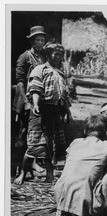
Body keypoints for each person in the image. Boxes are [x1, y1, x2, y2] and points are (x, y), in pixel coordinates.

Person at [14, 43, 72, 185]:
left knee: (51, 146)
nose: (58, 57)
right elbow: (35, 88)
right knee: (34, 146)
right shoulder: (40, 69)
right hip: (41, 110)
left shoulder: (61, 73)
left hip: (55, 112)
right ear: (48, 54)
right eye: (55, 53)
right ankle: (22, 173)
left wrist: (68, 113)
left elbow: (64, 97)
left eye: (60, 54)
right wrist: (35, 104)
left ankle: (50, 176)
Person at [54, 115, 107, 216]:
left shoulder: (75, 143)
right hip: (85, 201)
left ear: (85, 130)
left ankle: (65, 209)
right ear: (105, 132)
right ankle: (100, 204)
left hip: (60, 195)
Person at [12, 26, 47, 177]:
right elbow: (19, 81)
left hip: (38, 100)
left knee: (35, 135)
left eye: (42, 40)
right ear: (32, 41)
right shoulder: (24, 57)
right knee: (22, 133)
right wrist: (26, 101)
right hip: (25, 100)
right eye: (37, 40)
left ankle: (29, 167)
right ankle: (16, 169)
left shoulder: (44, 57)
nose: (40, 42)